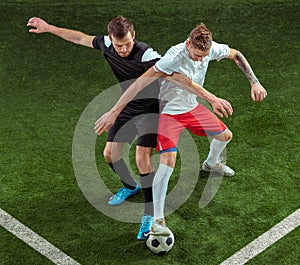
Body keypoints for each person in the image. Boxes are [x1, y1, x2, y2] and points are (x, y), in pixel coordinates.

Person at [94, 23, 267, 236]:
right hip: (168, 113)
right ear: (187, 44)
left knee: (225, 136)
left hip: (191, 108)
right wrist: (114, 112)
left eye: (203, 57)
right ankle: (158, 219)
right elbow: (138, 84)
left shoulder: (209, 49)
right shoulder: (171, 57)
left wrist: (255, 82)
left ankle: (210, 164)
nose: (199, 60)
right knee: (168, 161)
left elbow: (236, 54)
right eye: (195, 56)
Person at [27, 15, 163, 240]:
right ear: (110, 39)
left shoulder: (147, 54)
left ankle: (149, 215)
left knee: (142, 158)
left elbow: (171, 71)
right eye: (119, 45)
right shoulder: (107, 45)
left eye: (128, 43)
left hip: (151, 110)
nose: (123, 49)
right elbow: (80, 38)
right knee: (110, 154)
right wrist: (49, 28)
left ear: (134, 36)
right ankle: (130, 187)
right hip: (127, 107)